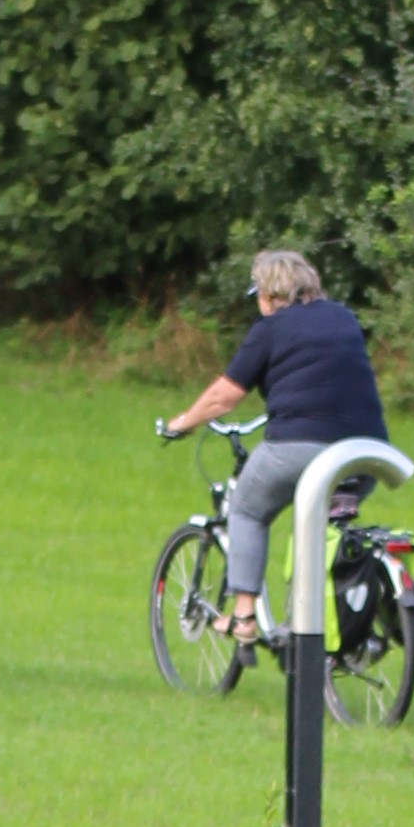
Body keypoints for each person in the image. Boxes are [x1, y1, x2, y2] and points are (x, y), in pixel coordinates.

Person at [155, 250, 387, 659]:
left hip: (302, 448)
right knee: (320, 528)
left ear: (268, 294)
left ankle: (243, 618)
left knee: (246, 508)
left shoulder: (270, 328)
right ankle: (316, 624)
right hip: (368, 453)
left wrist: (181, 424)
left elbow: (225, 396)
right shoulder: (343, 317)